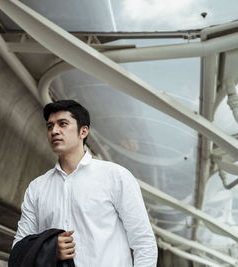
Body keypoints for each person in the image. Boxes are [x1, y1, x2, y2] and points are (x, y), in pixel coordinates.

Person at [12, 100, 158, 266]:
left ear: (83, 131)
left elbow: (144, 242)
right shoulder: (37, 188)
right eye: (50, 126)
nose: (54, 131)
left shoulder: (116, 176)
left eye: (63, 124)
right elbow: (19, 248)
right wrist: (50, 249)